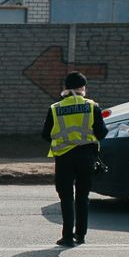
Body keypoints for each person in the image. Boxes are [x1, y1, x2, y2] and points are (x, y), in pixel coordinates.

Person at [41, 71, 108, 247]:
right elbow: (102, 133)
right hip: (87, 156)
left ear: (65, 88)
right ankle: (81, 235)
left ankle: (67, 237)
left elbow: (46, 134)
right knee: (82, 196)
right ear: (83, 88)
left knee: (66, 197)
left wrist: (63, 140)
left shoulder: (56, 108)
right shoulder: (92, 106)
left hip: (64, 157)